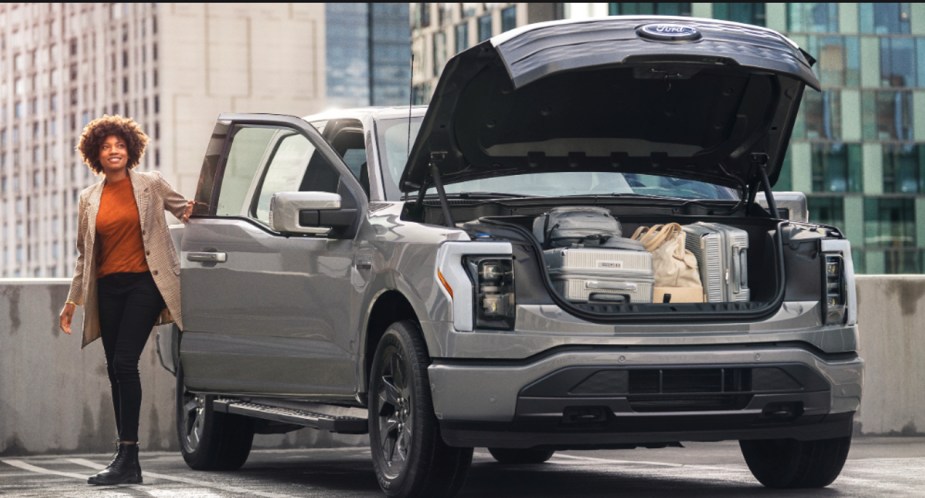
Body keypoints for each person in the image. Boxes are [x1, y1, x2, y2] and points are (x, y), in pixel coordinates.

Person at [58, 115, 193, 486]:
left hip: (145, 284)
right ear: (95, 155)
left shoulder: (150, 184)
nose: (113, 151)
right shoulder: (89, 198)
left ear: (130, 149)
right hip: (108, 288)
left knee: (124, 362)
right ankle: (126, 460)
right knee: (116, 372)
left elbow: (186, 210)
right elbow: (84, 255)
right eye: (106, 147)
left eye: (119, 145)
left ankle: (128, 455)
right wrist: (72, 301)